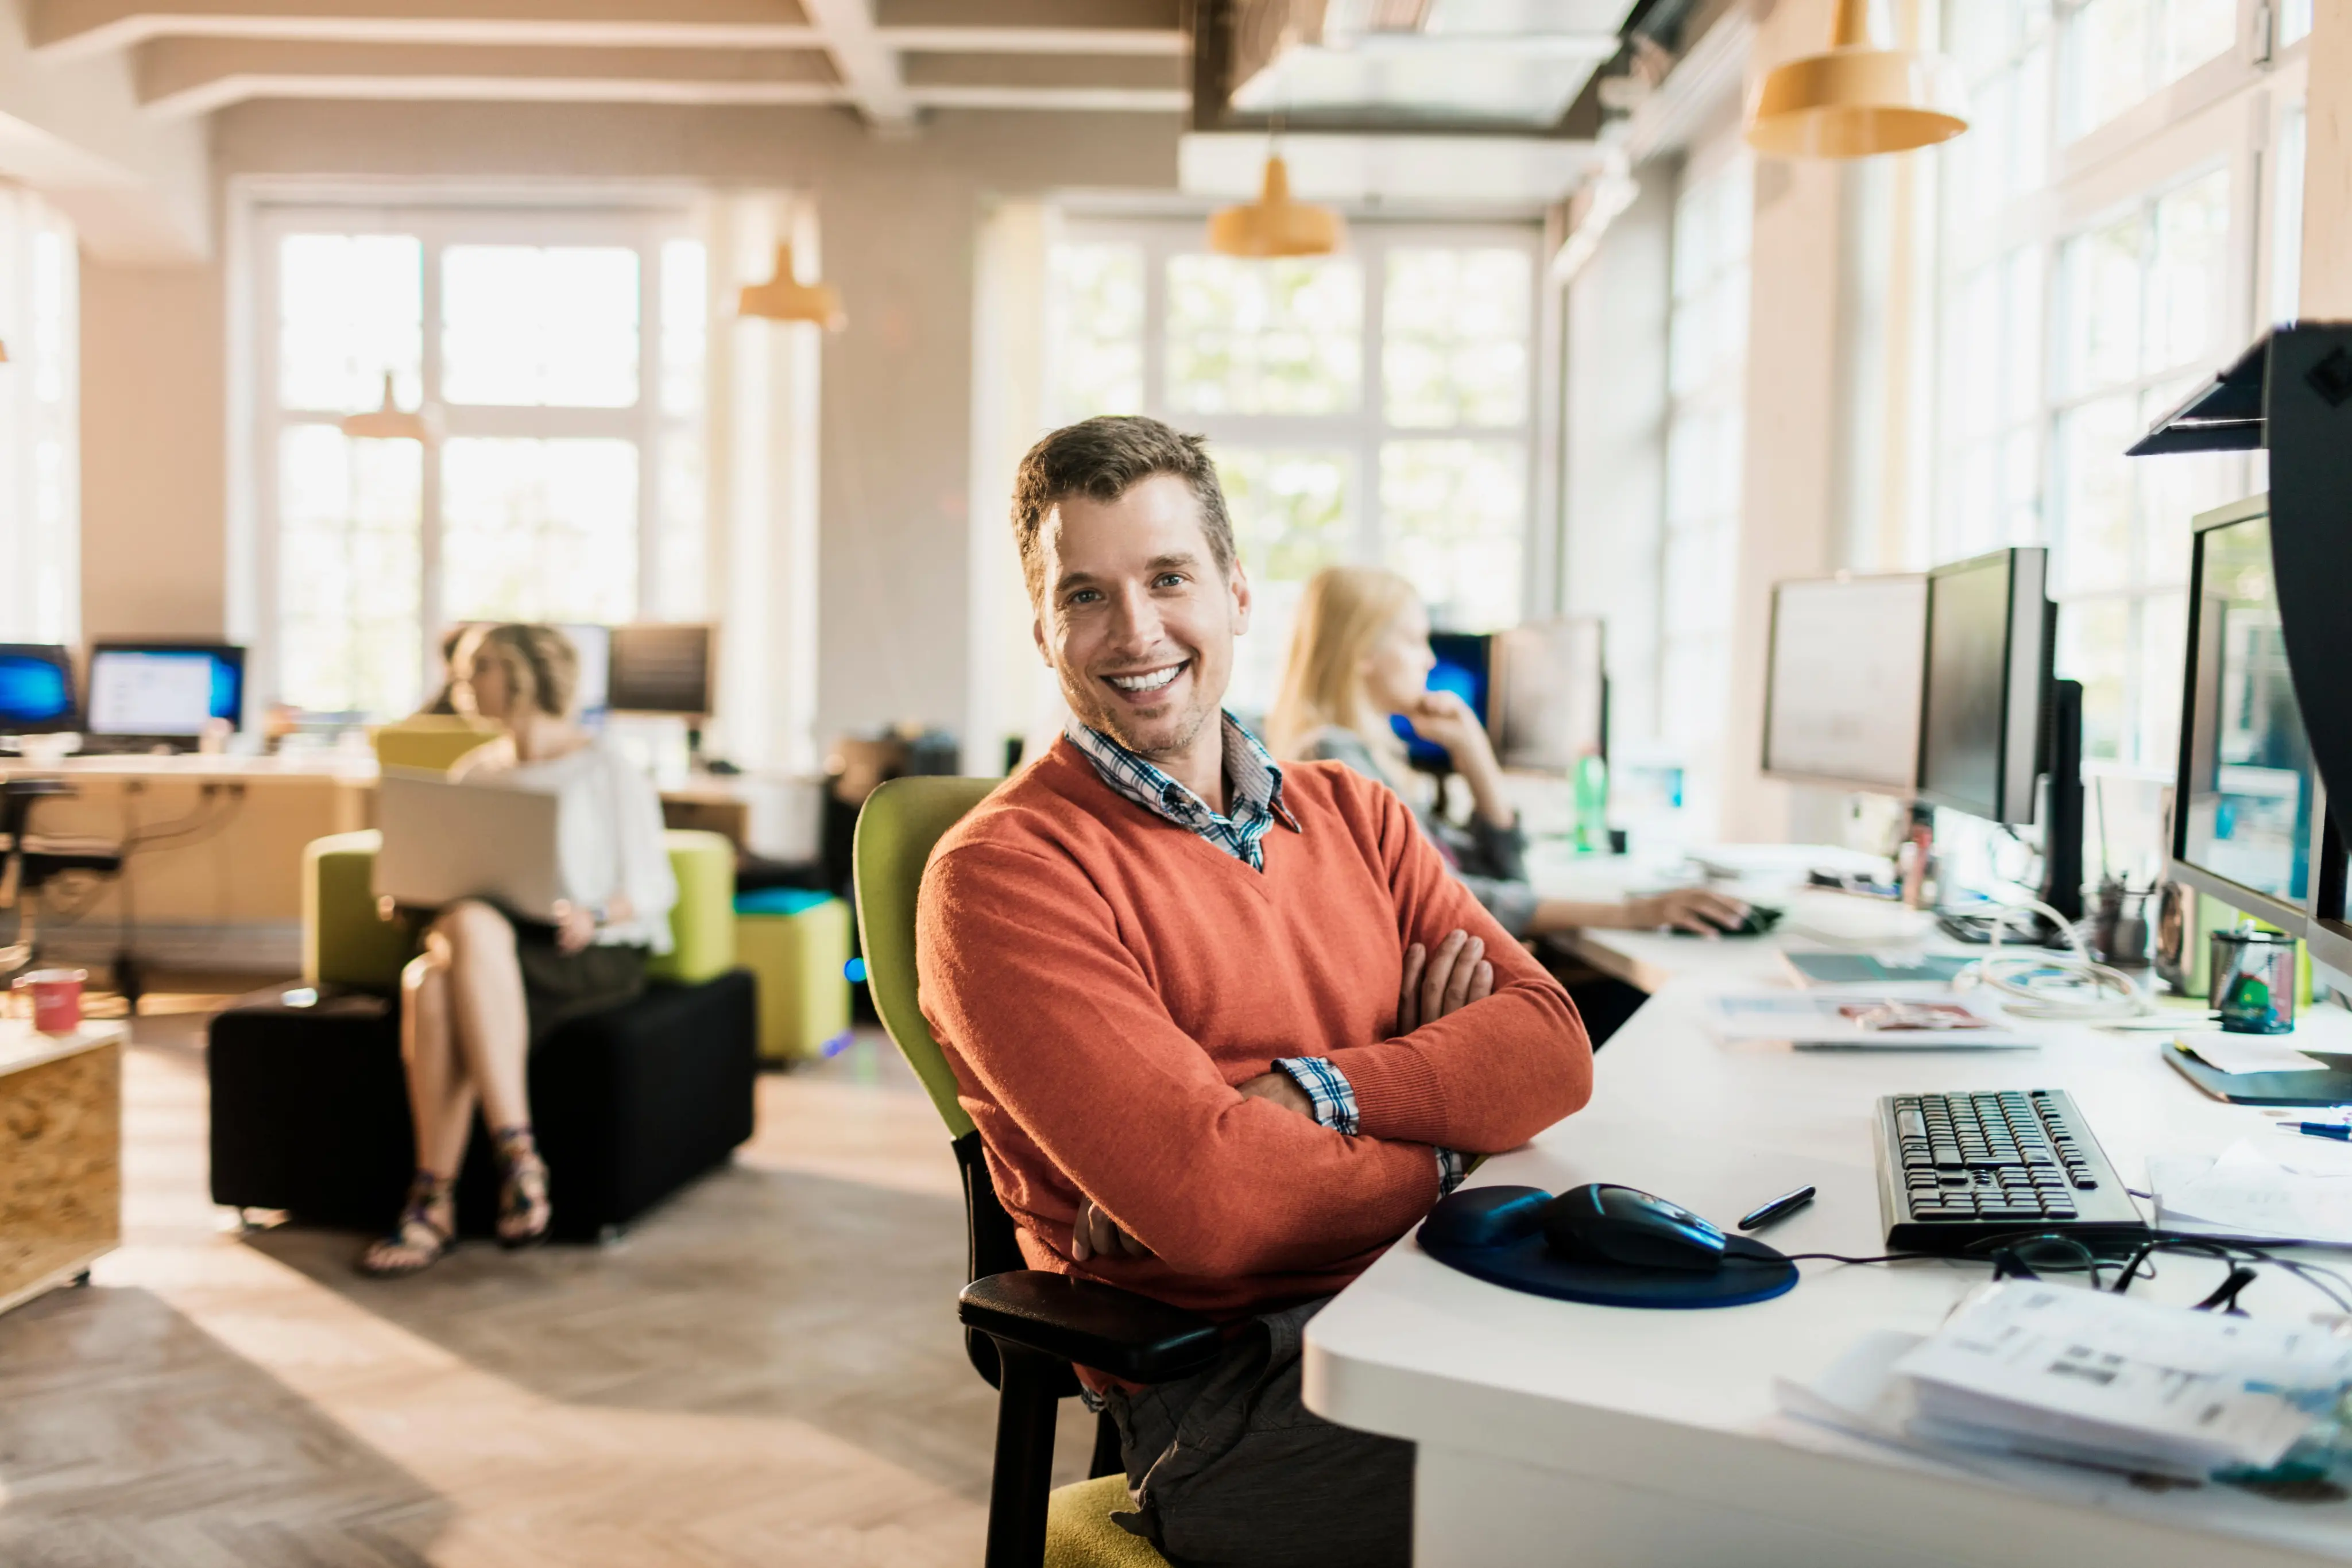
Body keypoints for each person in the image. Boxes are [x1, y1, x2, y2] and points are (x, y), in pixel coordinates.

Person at [917, 416, 1593, 1567]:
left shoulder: (1356, 813)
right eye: (1084, 595)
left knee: (1735, 1428)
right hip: (1235, 1396)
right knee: (1639, 1501)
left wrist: (1309, 1092)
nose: (1135, 631)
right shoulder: (1004, 874)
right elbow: (1216, 1209)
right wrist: (1450, 1142)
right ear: (1042, 628)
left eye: (1167, 577)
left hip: (1446, 1299)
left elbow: (1550, 1050)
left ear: (1235, 592)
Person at [358, 623, 678, 1277]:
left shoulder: (605, 766)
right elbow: (456, 875)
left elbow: (652, 885)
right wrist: (408, 885)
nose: (463, 683)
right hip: (488, 946)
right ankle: (518, 1160)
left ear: (522, 674)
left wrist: (591, 914)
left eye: (479, 669)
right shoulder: (475, 771)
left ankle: (431, 1203)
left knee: (434, 975)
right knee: (452, 948)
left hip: (584, 950)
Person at [1266, 565, 1748, 945]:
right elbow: (1456, 903)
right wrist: (1632, 913)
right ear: (1363, 652)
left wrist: (1474, 753)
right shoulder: (1331, 761)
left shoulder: (1368, 755)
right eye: (1415, 641)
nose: (1430, 660)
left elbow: (1498, 875)